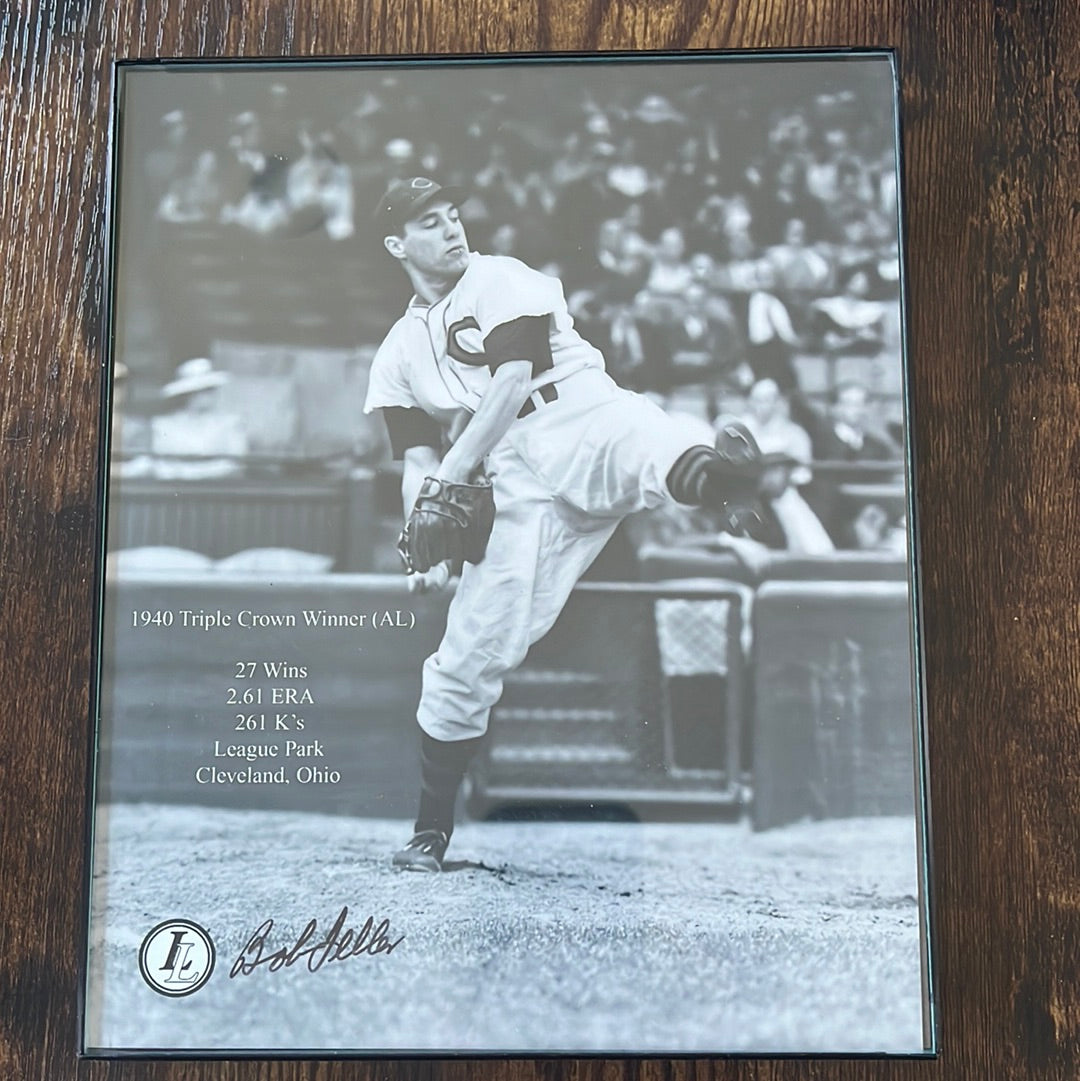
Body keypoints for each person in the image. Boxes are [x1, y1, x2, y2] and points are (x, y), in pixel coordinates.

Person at [363, 176, 764, 872]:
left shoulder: (500, 278)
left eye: (454, 214)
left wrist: (449, 477)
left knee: (647, 442)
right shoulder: (397, 352)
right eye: (430, 222)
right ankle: (430, 830)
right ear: (397, 243)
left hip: (579, 411)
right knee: (466, 655)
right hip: (517, 479)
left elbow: (514, 380)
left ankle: (723, 477)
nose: (452, 229)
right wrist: (418, 551)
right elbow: (416, 462)